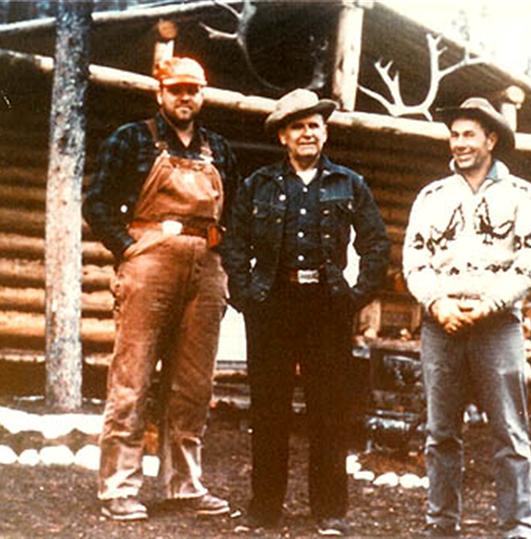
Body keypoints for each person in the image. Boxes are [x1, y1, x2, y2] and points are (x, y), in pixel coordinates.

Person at [223, 89, 390, 536]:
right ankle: (264, 508)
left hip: (327, 309)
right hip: (271, 307)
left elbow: (376, 243)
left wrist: (355, 296)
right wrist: (245, 294)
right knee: (268, 410)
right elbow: (234, 243)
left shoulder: (349, 184)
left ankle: (329, 510)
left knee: (329, 410)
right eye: (297, 127)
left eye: (314, 125)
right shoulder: (258, 185)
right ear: (283, 136)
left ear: (325, 132)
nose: (307, 134)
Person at [83, 56, 239, 521]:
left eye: (193, 89)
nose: (185, 97)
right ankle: (118, 486)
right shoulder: (131, 139)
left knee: (193, 384)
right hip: (150, 263)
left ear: (203, 94)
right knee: (132, 378)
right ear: (161, 93)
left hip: (206, 265)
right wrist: (129, 248)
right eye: (176, 90)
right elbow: (97, 202)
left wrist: (225, 263)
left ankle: (184, 485)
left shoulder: (218, 148)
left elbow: (232, 213)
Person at [402, 97, 531, 539]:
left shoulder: (522, 195)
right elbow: (414, 261)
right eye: (454, 135)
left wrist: (489, 304)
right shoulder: (432, 197)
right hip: (442, 325)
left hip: (497, 326)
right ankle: (441, 524)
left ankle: (517, 527)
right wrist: (437, 304)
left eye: (469, 135)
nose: (460, 143)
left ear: (491, 139)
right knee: (441, 432)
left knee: (510, 433)